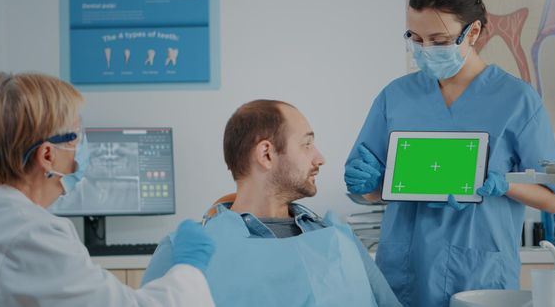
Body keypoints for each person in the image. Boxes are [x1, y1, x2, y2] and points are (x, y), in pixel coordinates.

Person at [344, 0, 555, 307]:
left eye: (439, 40)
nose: (425, 49)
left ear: (473, 32)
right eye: (415, 38)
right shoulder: (396, 96)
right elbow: (372, 191)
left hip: (481, 273)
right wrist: (365, 184)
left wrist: (505, 184)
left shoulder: (517, 100)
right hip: (405, 272)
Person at [0, 72, 215, 307]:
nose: (82, 146)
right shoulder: (31, 235)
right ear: (47, 155)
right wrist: (188, 267)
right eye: (75, 136)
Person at [142, 99, 401, 307]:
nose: (320, 158)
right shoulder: (184, 250)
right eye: (307, 144)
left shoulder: (340, 236)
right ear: (266, 154)